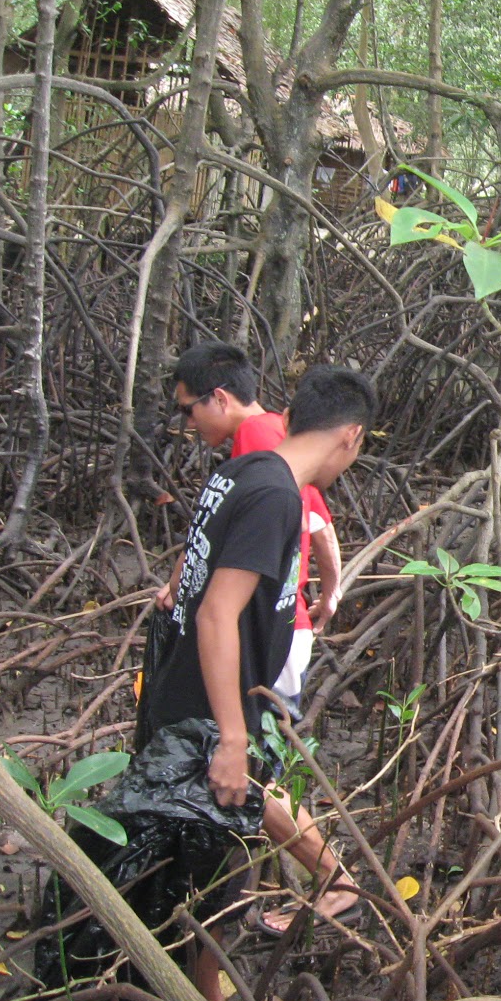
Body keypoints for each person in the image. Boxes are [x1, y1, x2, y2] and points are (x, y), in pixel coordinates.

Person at [163, 343, 357, 938]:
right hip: (250, 635)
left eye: (191, 410)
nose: (188, 424)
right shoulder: (259, 461)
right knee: (242, 771)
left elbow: (219, 613)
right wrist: (330, 587)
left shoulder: (256, 458)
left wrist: (231, 734)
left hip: (261, 636)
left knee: (250, 769)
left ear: (220, 398)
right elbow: (310, 525)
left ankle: (330, 881)